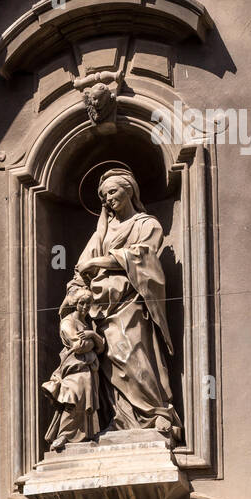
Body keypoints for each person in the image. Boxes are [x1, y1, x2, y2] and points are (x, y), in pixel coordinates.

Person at [69, 169, 182, 444]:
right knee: (111, 367)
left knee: (135, 360)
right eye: (104, 196)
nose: (108, 199)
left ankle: (155, 415)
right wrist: (79, 288)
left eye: (112, 192)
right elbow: (80, 268)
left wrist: (98, 263)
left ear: (129, 190)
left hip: (132, 305)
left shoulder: (147, 224)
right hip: (101, 309)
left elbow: (144, 255)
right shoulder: (102, 232)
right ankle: (122, 420)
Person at [42, 284, 104, 450]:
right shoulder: (67, 322)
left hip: (88, 369)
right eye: (82, 303)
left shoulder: (86, 324)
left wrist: (92, 335)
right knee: (72, 398)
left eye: (88, 304)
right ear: (75, 303)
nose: (85, 307)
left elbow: (100, 347)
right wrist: (93, 341)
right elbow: (78, 346)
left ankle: (85, 435)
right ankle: (64, 434)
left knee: (85, 402)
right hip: (73, 368)